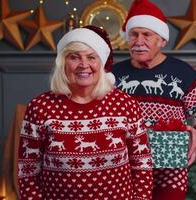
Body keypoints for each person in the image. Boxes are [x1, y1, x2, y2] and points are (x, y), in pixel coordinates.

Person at [17, 25, 153, 200]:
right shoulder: (40, 107)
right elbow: (27, 170)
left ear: (101, 63)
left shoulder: (125, 105)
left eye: (91, 57)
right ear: (63, 63)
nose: (84, 65)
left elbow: (142, 164)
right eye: (74, 57)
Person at [111, 0, 196, 199]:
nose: (139, 41)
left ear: (162, 40)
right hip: (123, 171)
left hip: (169, 174)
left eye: (147, 35)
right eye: (134, 34)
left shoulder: (184, 73)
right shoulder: (112, 76)